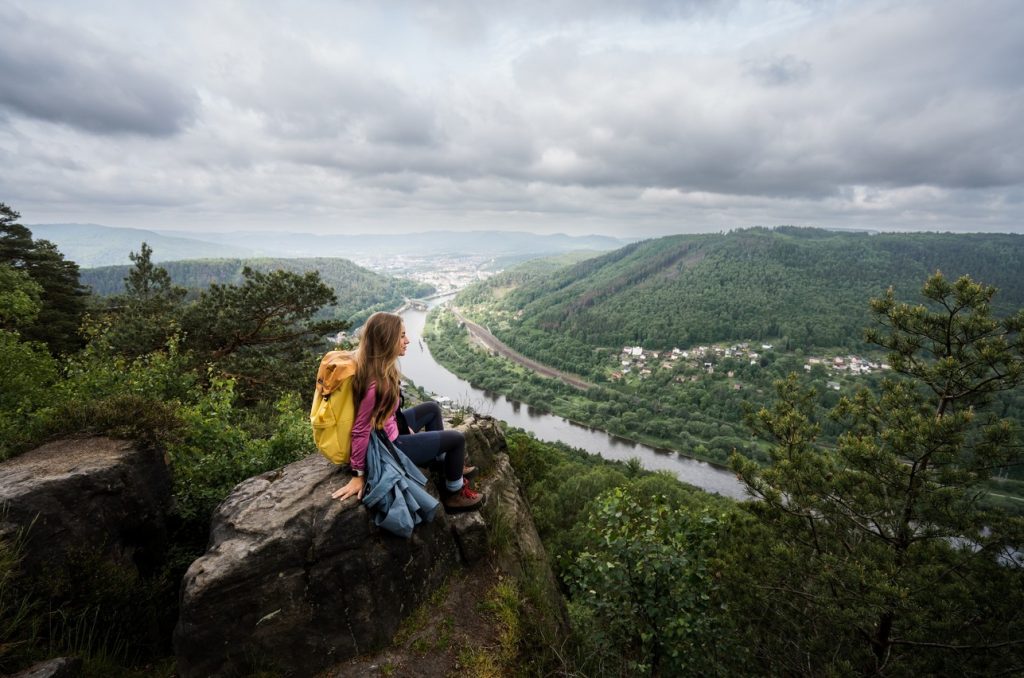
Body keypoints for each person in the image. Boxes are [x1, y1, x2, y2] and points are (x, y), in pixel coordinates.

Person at [331, 311, 484, 513]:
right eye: (402, 336)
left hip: (391, 430)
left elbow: (390, 412)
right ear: (387, 340)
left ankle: (444, 465)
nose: (408, 340)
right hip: (392, 446)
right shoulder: (376, 384)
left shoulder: (378, 365)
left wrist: (404, 427)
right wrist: (357, 475)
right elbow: (360, 430)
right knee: (456, 439)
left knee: (431, 408)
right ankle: (454, 493)